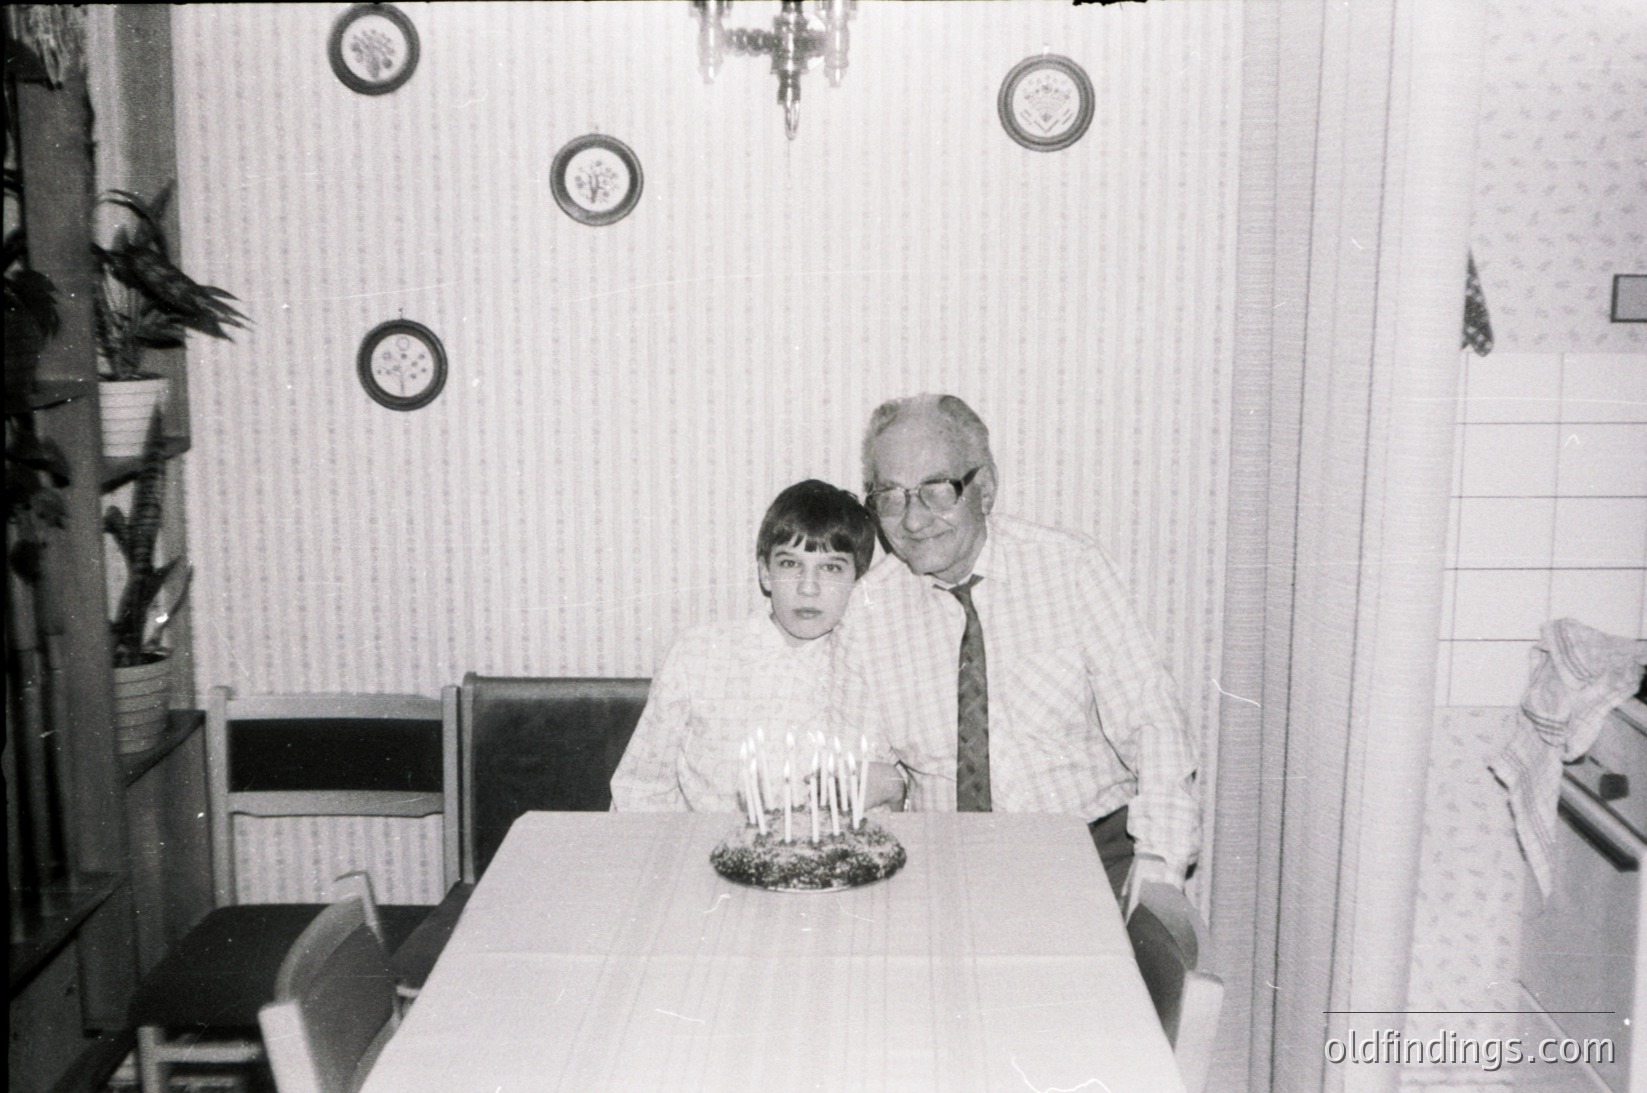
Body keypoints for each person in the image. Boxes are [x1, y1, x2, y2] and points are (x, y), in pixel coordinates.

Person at [829, 394, 1200, 908]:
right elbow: (863, 770)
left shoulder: (1070, 570)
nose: (913, 521)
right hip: (946, 866)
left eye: (936, 491)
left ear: (984, 489)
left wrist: (1161, 859)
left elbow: (1153, 722)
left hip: (1089, 851)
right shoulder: (868, 611)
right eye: (890, 495)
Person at [610, 478, 893, 812]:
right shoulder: (697, 656)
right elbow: (639, 790)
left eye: (831, 568)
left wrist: (889, 784)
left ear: (857, 582)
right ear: (764, 573)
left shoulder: (877, 667)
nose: (808, 587)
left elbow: (899, 793)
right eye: (790, 564)